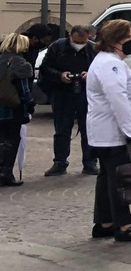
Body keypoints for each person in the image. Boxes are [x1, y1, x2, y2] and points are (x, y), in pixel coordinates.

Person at [85, 20, 131, 241]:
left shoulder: (108, 61)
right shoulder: (109, 64)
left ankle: (105, 221)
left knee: (107, 178)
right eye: (129, 37)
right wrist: (129, 131)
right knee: (119, 180)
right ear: (116, 40)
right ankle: (124, 224)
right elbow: (118, 99)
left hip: (107, 132)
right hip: (113, 133)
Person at [39, 25, 98, 176]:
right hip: (62, 93)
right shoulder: (57, 47)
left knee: (89, 130)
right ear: (71, 37)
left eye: (83, 42)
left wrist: (89, 74)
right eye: (77, 41)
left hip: (85, 94)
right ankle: (60, 161)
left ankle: (90, 162)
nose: (80, 45)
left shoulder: (92, 49)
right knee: (62, 129)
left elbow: (99, 68)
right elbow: (45, 68)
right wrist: (60, 75)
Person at [0, 33, 36, 187]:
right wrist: (30, 106)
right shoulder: (21, 64)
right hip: (11, 108)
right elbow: (24, 91)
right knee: (11, 140)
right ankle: (5, 173)